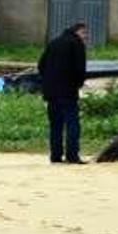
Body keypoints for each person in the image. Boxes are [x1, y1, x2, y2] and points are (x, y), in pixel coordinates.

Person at [38, 23, 88, 164]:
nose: (86, 37)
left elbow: (41, 65)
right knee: (72, 123)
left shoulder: (54, 42)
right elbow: (80, 68)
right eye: (85, 34)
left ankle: (55, 156)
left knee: (55, 124)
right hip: (68, 91)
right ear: (78, 32)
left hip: (51, 91)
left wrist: (48, 81)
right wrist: (77, 84)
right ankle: (72, 155)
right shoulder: (76, 44)